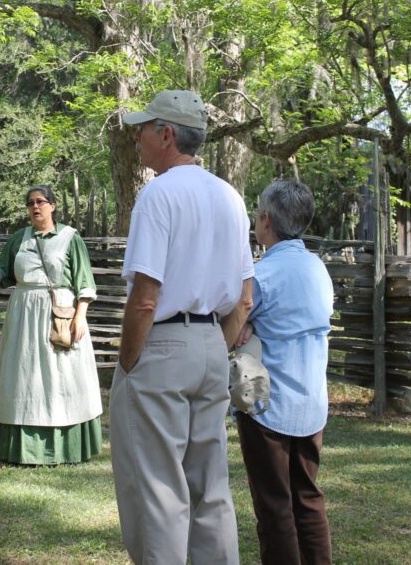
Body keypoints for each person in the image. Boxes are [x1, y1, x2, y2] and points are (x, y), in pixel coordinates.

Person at [112, 90, 254, 564]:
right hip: (213, 343)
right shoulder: (230, 196)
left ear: (166, 135)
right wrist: (220, 345)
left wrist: (129, 361)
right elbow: (245, 294)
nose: (137, 137)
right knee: (209, 485)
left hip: (163, 347)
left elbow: (145, 297)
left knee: (158, 489)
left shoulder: (158, 194)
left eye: (144, 127)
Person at [235, 179, 334, 564]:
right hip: (311, 400)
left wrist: (248, 325)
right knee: (307, 498)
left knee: (275, 505)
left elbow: (234, 324)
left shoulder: (263, 276)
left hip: (268, 404)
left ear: (266, 221)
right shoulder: (316, 267)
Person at [0, 185, 103, 465]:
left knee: (60, 376)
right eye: (30, 203)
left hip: (59, 314)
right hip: (24, 316)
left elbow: (85, 282)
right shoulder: (20, 238)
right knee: (25, 377)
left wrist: (80, 316)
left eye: (41, 202)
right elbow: (3, 271)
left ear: (53, 206)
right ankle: (22, 447)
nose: (35, 207)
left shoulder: (69, 238)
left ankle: (66, 446)